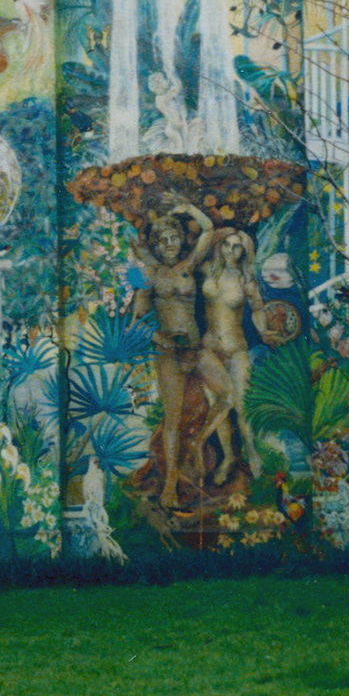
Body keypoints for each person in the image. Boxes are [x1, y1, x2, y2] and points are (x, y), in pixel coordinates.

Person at [130, 197, 216, 510]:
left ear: (181, 239)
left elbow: (208, 230)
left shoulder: (189, 265)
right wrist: (160, 338)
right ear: (155, 244)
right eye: (163, 240)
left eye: (174, 237)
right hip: (169, 352)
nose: (169, 244)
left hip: (197, 348)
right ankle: (170, 486)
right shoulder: (150, 277)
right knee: (173, 419)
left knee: (228, 394)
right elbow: (136, 323)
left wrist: (187, 207)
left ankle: (209, 454)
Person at [196, 227, 266, 485]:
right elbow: (206, 238)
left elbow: (257, 310)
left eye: (236, 246)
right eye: (226, 244)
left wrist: (264, 330)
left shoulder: (247, 279)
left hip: (237, 349)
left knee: (242, 407)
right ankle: (228, 458)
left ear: (244, 251)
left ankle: (251, 451)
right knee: (218, 408)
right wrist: (225, 231)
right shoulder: (206, 269)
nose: (230, 250)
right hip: (209, 349)